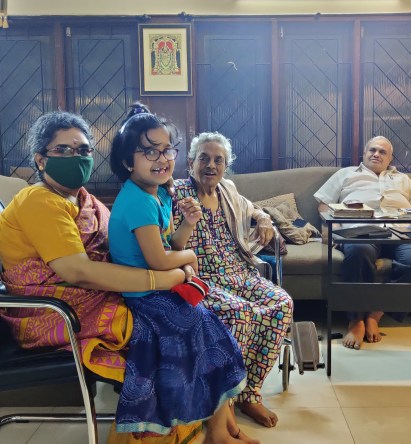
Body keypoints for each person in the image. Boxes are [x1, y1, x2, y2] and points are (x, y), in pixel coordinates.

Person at [0, 111, 227, 444]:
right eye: (63, 150)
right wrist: (164, 279)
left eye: (83, 150)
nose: (76, 157)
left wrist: (173, 265)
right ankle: (151, 433)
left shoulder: (85, 200)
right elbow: (78, 272)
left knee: (196, 315)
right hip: (55, 311)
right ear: (40, 159)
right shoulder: (38, 200)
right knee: (177, 327)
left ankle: (203, 423)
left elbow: (120, 249)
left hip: (96, 298)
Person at [108, 104, 258, 444]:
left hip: (160, 288)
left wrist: (188, 224)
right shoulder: (137, 201)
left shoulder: (157, 194)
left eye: (166, 150)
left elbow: (169, 245)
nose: (162, 159)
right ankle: (218, 430)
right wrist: (190, 258)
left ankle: (221, 429)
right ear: (128, 161)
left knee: (213, 333)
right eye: (149, 151)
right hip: (144, 295)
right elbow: (159, 260)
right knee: (207, 333)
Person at [173, 132, 294, 428]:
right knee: (241, 313)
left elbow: (251, 207)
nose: (211, 165)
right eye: (204, 158)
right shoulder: (177, 193)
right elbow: (170, 243)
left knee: (281, 304)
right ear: (191, 162)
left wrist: (263, 218)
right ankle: (222, 401)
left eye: (218, 160)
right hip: (203, 277)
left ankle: (249, 394)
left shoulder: (227, 190)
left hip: (238, 271)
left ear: (226, 166)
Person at [314, 135, 411, 350]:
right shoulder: (346, 174)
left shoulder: (403, 179)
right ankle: (356, 319)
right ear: (364, 153)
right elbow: (323, 205)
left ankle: (376, 314)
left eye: (382, 152)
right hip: (361, 230)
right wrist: (335, 228)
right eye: (372, 150)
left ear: (390, 158)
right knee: (358, 252)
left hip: (400, 231)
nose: (376, 154)